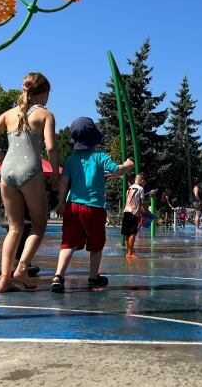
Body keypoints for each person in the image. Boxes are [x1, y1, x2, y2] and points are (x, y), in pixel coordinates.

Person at [0, 72, 59, 293]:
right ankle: (22, 268)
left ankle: (5, 278)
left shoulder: (9, 114)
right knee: (39, 225)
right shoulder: (45, 115)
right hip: (30, 172)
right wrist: (54, 173)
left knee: (14, 228)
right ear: (43, 93)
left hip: (7, 172)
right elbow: (51, 147)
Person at [52, 117, 134, 293]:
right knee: (96, 243)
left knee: (68, 243)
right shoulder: (100, 156)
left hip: (72, 206)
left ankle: (58, 276)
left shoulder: (70, 160)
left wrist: (60, 203)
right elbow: (117, 170)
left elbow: (64, 182)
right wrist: (127, 165)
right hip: (94, 207)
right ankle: (93, 276)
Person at [121, 173, 147, 258]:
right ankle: (130, 253)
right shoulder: (140, 189)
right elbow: (142, 202)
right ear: (142, 181)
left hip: (126, 211)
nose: (144, 184)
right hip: (134, 213)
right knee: (132, 233)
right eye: (144, 183)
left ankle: (128, 253)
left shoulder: (129, 188)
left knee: (126, 233)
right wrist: (147, 212)